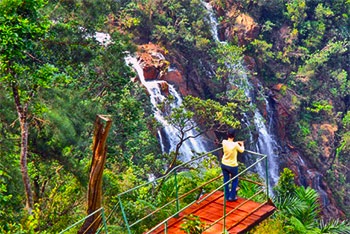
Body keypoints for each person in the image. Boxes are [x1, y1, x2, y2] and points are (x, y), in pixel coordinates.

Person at [221, 128, 245, 201]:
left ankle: (226, 196)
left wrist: (236, 142)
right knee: (235, 180)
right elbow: (242, 150)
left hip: (224, 164)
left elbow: (230, 143)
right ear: (234, 136)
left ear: (227, 135)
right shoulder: (235, 145)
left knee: (226, 180)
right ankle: (232, 197)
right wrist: (242, 144)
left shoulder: (224, 142)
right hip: (232, 166)